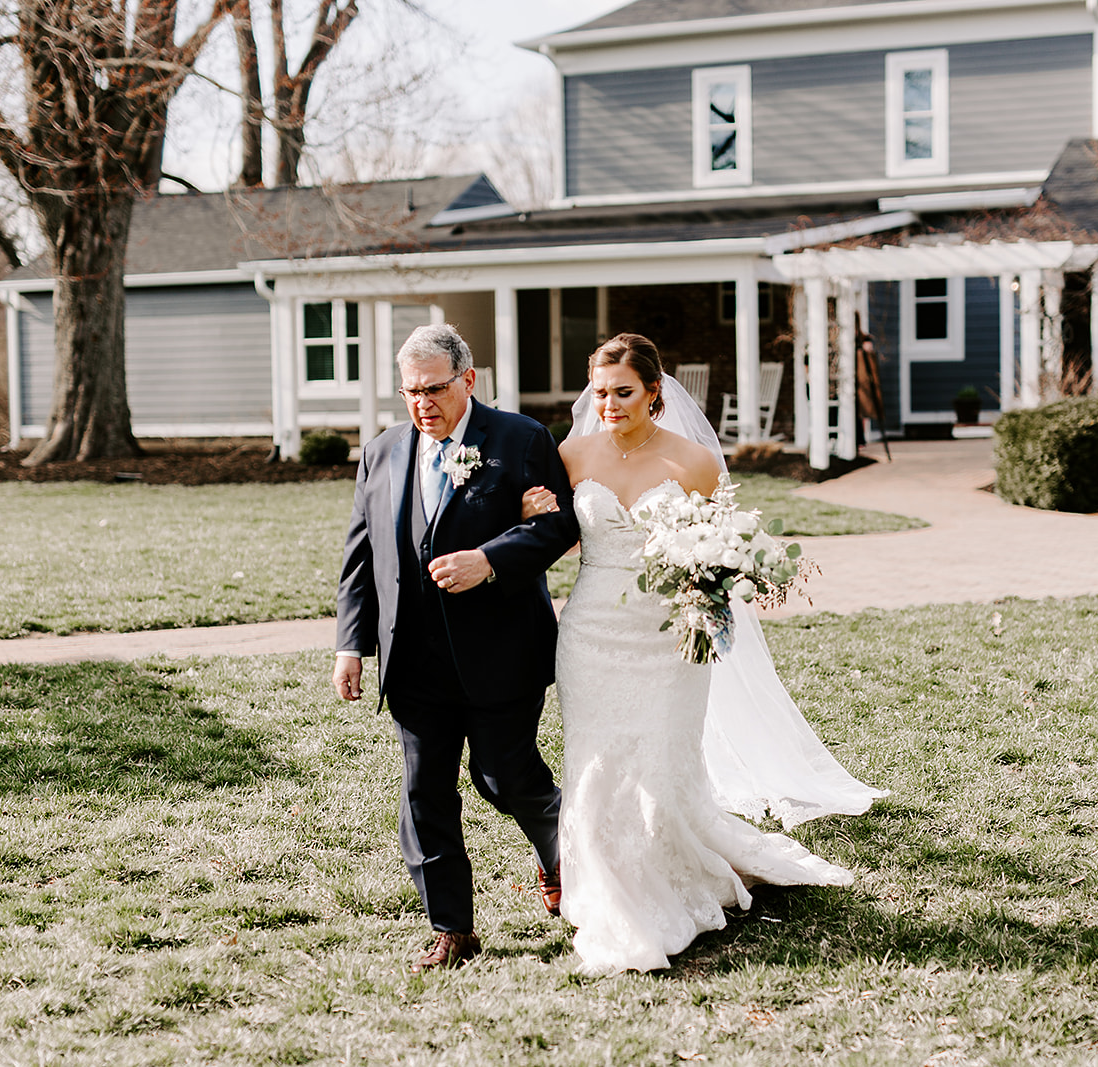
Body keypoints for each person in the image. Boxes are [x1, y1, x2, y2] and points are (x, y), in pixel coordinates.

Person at [523, 333, 883, 974]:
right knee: (596, 762)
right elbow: (552, 535)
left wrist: (714, 587)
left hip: (668, 639)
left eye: (623, 391)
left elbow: (721, 546)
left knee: (661, 762)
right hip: (592, 634)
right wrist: (534, 509)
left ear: (654, 391)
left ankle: (671, 868)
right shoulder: (569, 455)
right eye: (600, 392)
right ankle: (607, 882)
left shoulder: (692, 462)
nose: (608, 404)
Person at [333, 323, 579, 974]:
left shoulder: (520, 440)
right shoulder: (382, 451)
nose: (422, 403)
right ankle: (453, 928)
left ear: (468, 380)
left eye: (434, 388)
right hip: (412, 659)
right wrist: (350, 645)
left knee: (505, 778)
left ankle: (566, 856)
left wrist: (489, 560)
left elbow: (557, 526)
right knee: (425, 792)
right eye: (410, 391)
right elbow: (362, 557)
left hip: (502, 650)